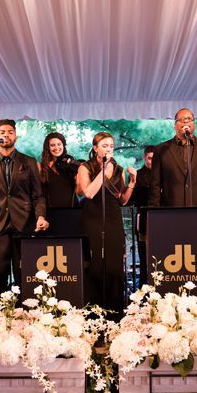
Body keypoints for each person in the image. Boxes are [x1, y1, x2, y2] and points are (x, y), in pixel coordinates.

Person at [0, 119, 48, 293]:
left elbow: (38, 195)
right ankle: (1, 311)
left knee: (24, 271)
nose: (6, 135)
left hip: (25, 223)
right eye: (2, 132)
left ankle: (27, 312)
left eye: (10, 132)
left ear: (16, 136)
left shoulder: (28, 162)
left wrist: (41, 216)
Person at [76, 132, 136, 315]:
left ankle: (115, 309)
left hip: (113, 217)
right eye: (104, 145)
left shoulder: (117, 169)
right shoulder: (85, 167)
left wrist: (133, 181)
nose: (109, 149)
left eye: (111, 145)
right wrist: (104, 172)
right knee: (97, 263)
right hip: (93, 217)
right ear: (95, 148)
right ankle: (95, 309)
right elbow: (88, 193)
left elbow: (122, 200)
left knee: (114, 263)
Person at [149, 108, 197, 213]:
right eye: (181, 119)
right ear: (175, 125)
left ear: (194, 124)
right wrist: (155, 213)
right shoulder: (161, 149)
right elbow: (154, 187)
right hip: (170, 212)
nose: (186, 121)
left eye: (189, 119)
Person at [131, 145, 154, 286]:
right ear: (145, 157)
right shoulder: (138, 175)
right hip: (144, 219)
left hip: (163, 220)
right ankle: (144, 286)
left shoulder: (164, 174)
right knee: (144, 256)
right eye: (150, 158)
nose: (153, 161)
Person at [38, 132, 78, 208]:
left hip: (71, 210)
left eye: (59, 144)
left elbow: (79, 190)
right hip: (50, 211)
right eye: (52, 145)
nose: (56, 148)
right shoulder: (41, 166)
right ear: (48, 147)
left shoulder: (71, 164)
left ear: (63, 145)